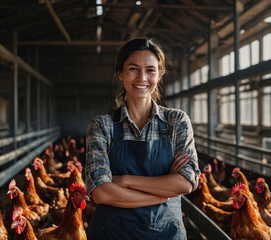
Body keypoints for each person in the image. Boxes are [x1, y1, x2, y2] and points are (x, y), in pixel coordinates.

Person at [85, 38, 200, 240]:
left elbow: (185, 182)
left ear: (159, 75)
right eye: (133, 69)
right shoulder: (102, 125)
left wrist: (125, 180)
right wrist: (163, 194)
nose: (142, 77)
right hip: (112, 233)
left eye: (150, 70)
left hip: (166, 233)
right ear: (120, 73)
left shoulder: (177, 121)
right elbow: (102, 193)